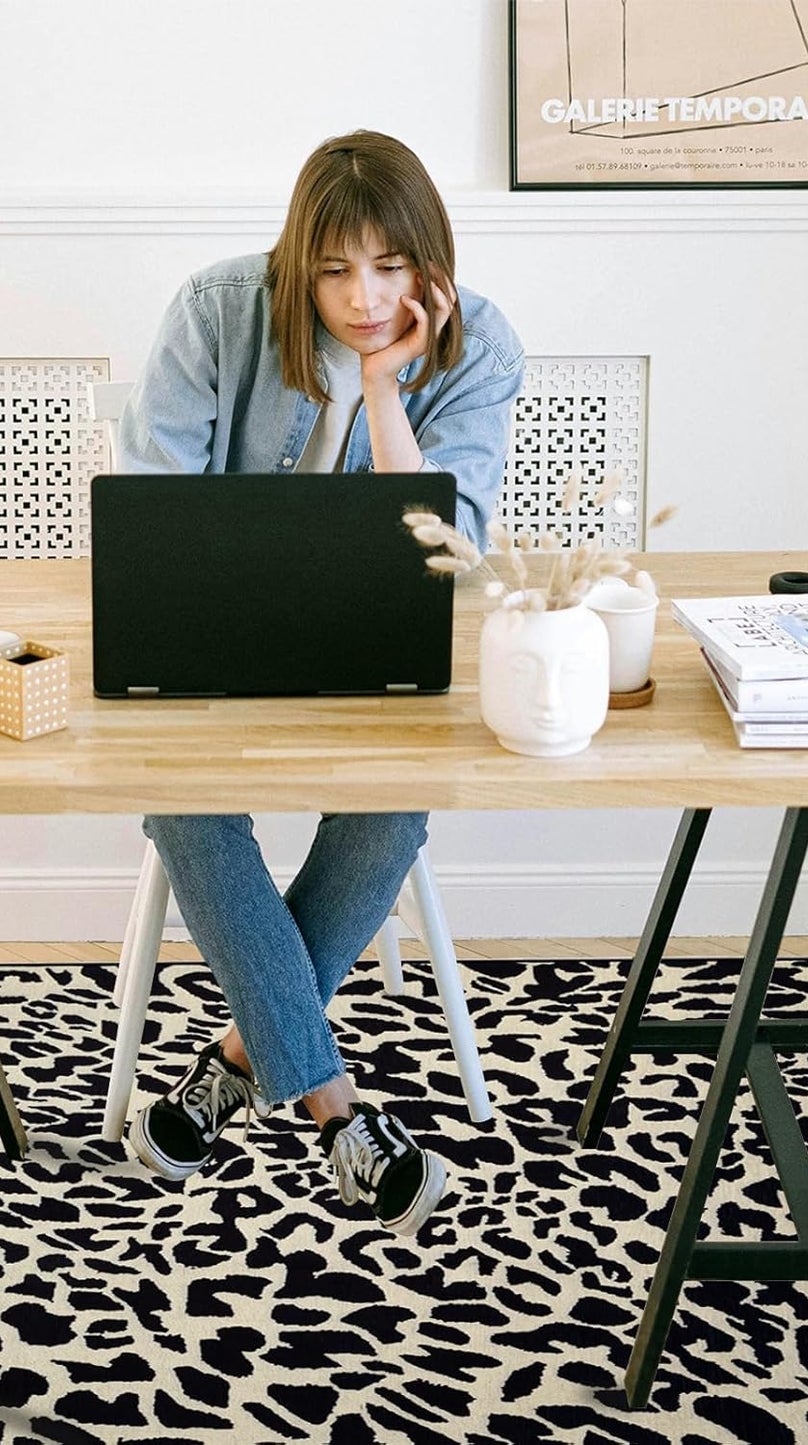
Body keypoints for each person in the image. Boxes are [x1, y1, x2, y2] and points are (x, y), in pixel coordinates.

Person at [116, 130, 524, 1237]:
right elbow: (152, 512)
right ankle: (335, 1106)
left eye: (389, 268)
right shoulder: (215, 311)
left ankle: (238, 1061)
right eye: (334, 270)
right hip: (211, 648)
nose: (360, 297)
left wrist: (388, 389)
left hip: (374, 657)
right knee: (185, 797)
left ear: (427, 263)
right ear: (298, 259)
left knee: (394, 799)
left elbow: (446, 555)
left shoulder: (476, 346)